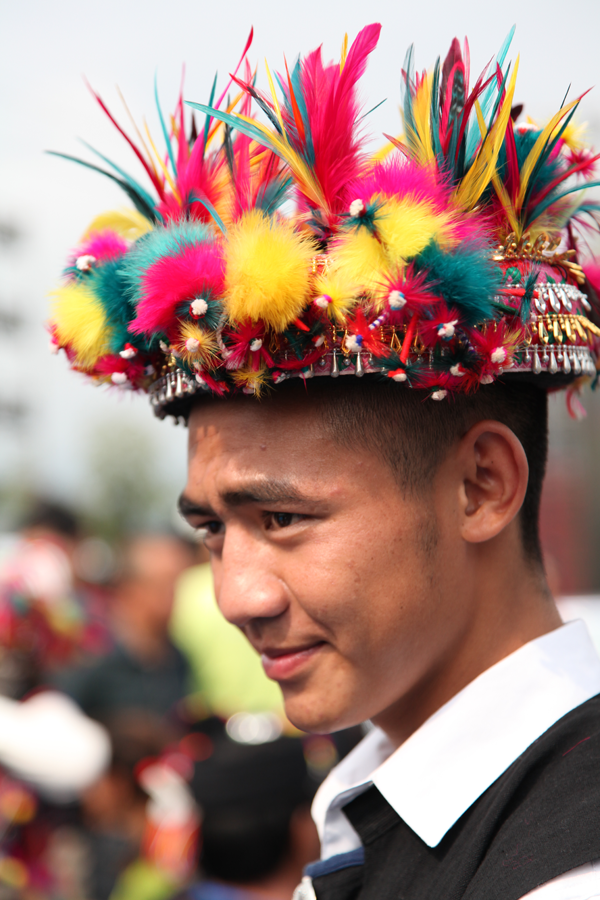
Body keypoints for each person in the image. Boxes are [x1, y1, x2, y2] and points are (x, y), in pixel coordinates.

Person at [49, 23, 600, 900]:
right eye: (211, 530)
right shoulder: (381, 807)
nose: (237, 597)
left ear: (480, 486)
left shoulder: (567, 870)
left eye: (282, 518)